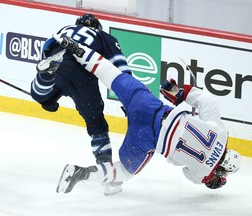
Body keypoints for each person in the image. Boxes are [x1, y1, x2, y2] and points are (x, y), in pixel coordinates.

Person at [53, 35, 241, 194]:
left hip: (151, 108)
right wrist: (212, 180)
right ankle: (80, 173)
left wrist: (179, 93)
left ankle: (79, 50)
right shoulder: (202, 173)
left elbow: (208, 102)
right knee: (123, 172)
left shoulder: (221, 134)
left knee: (113, 75)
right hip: (146, 138)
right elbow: (190, 174)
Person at [30, 14, 131, 195]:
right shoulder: (103, 37)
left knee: (41, 95)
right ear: (98, 27)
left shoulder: (64, 29)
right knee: (97, 124)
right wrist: (130, 98)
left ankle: (45, 78)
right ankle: (109, 179)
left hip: (58, 62)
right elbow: (121, 69)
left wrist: (50, 100)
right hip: (81, 73)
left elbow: (46, 49)